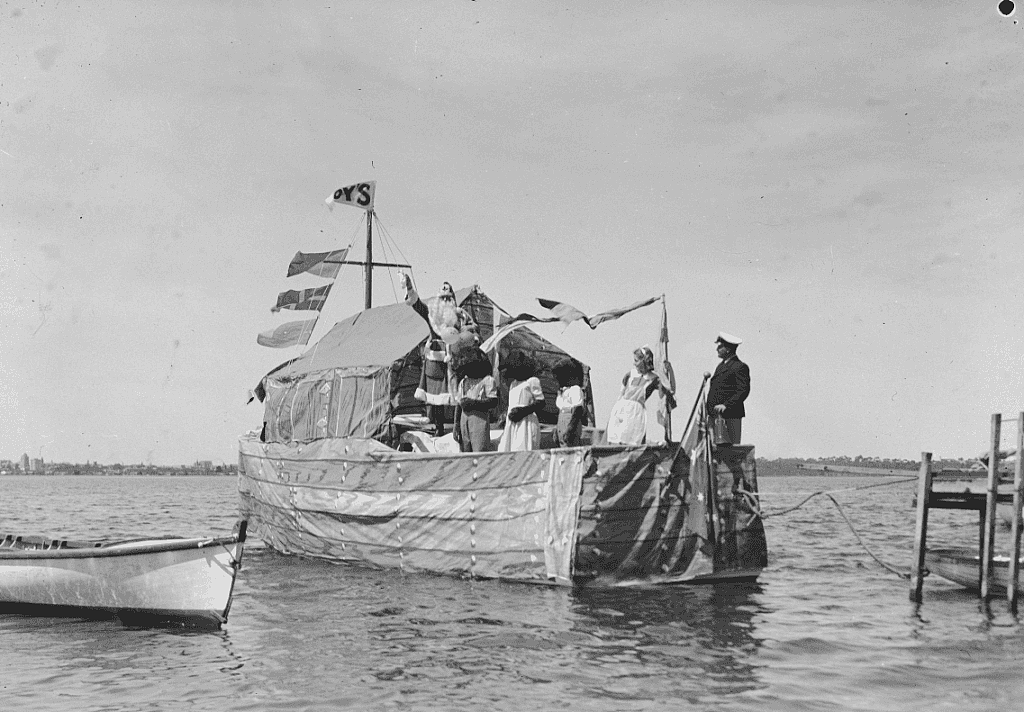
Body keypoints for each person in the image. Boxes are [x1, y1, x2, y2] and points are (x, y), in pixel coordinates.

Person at [606, 346, 665, 445]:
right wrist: (615, 411)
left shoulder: (653, 378)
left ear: (643, 361)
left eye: (636, 360)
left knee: (633, 439)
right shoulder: (630, 375)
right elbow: (621, 395)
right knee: (617, 436)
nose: (634, 363)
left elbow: (666, 390)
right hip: (622, 409)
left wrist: (667, 372)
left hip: (636, 412)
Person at [706, 332, 750, 445]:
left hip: (730, 417)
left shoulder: (739, 367)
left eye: (720, 346)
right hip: (715, 417)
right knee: (715, 452)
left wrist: (726, 405)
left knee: (731, 452)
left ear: (728, 349)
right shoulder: (720, 366)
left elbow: (743, 391)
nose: (717, 349)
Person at [497, 349, 545, 452]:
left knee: (523, 448)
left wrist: (523, 411)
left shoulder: (532, 381)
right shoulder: (514, 384)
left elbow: (541, 402)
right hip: (512, 423)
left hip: (525, 422)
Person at [452, 347, 498, 452]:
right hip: (464, 420)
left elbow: (493, 401)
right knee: (465, 450)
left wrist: (473, 403)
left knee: (479, 450)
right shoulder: (464, 382)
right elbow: (459, 404)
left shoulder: (487, 380)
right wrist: (456, 425)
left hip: (479, 421)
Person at [552, 358, 586, 447]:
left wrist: (571, 429)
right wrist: (557, 429)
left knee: (571, 447)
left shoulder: (575, 389)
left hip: (570, 423)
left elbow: (578, 410)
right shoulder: (563, 392)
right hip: (561, 423)